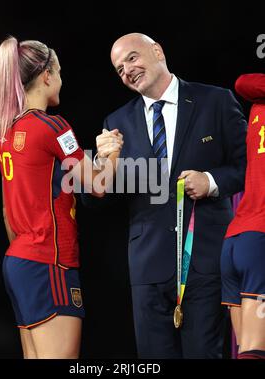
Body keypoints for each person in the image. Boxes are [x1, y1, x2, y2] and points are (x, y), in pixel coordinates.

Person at [86, 33, 247, 358]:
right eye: (119, 69)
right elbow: (93, 199)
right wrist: (103, 165)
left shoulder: (215, 101)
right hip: (148, 269)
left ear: (157, 51)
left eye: (132, 58)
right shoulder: (116, 123)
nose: (127, 70)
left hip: (205, 262)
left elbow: (250, 166)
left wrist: (211, 180)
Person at [0, 36, 122, 359]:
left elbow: (8, 213)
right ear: (47, 75)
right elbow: (98, 185)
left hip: (18, 262)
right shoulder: (54, 127)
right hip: (50, 262)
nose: (62, 80)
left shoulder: (7, 134)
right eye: (59, 73)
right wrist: (113, 153)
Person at [221, 73, 265, 359]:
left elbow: (242, 82)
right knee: (254, 351)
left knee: (244, 351)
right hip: (259, 242)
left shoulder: (259, 103)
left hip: (235, 240)